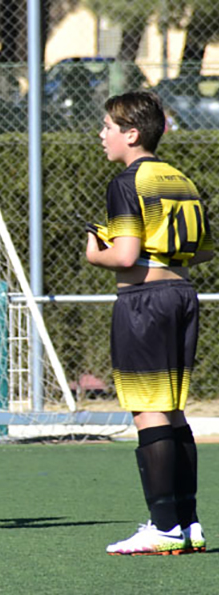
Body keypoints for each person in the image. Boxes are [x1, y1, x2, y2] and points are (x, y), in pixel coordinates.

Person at [86, 91, 213, 556]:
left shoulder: (126, 181)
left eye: (108, 127)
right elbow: (202, 251)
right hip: (182, 295)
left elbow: (123, 256)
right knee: (173, 410)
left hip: (145, 302)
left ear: (132, 133)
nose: (101, 135)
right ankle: (188, 524)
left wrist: (94, 249)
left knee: (148, 410)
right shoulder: (180, 178)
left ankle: (163, 527)